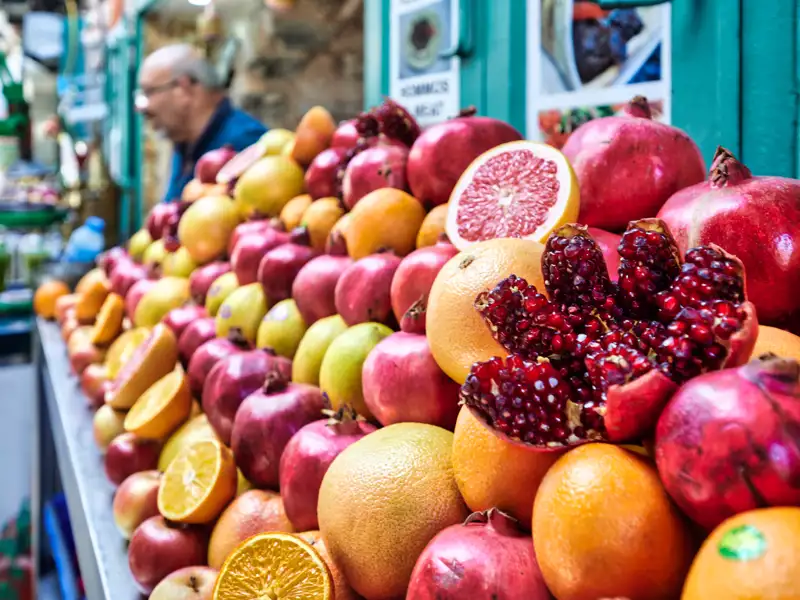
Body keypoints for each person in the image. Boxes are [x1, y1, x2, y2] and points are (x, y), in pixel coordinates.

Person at [135, 43, 267, 202]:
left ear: (184, 88)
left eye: (149, 92)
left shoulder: (245, 142)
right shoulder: (185, 141)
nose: (140, 107)